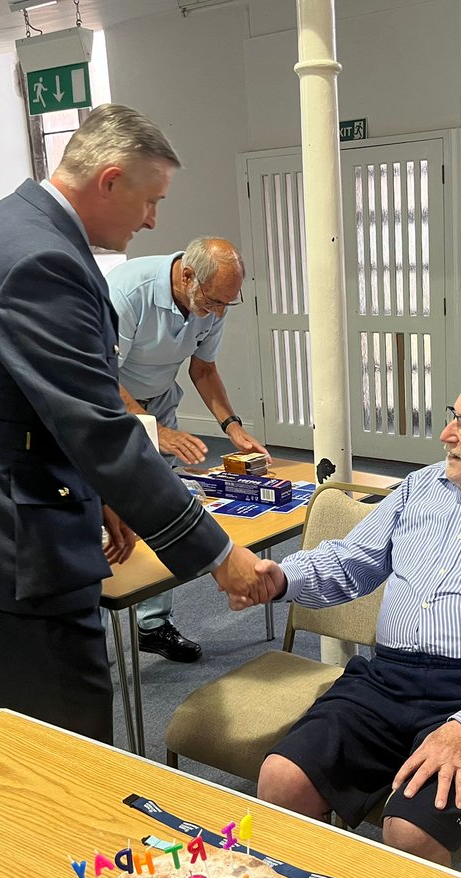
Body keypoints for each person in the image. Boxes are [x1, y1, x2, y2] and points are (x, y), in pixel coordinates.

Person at [0, 104, 270, 744]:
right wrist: (215, 551)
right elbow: (100, 427)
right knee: (55, 744)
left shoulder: (19, 233)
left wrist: (99, 495)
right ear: (109, 180)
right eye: (150, 200)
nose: (154, 219)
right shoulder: (38, 260)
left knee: (4, 730)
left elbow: (42, 407)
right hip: (8, 534)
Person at [245, 374, 461, 864]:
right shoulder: (420, 488)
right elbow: (352, 560)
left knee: (411, 832)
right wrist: (282, 578)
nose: (446, 434)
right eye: (453, 415)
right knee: (282, 780)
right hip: (390, 677)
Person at [106, 237, 269, 663]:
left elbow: (204, 368)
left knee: (161, 505)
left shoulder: (210, 301)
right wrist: (152, 429)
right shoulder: (127, 292)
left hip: (159, 400)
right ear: (186, 275)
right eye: (214, 301)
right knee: (106, 510)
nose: (216, 313)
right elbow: (99, 373)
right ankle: (90, 622)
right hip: (106, 403)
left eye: (225, 306)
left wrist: (231, 426)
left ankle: (153, 624)